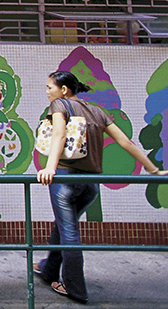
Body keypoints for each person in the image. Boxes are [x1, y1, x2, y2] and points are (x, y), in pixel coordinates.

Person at [34, 70, 167, 304]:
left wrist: (50, 168)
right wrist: (152, 169)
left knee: (69, 234)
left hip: (65, 179)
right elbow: (125, 141)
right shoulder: (97, 111)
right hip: (90, 186)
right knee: (64, 226)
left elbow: (59, 135)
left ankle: (75, 289)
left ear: (63, 90)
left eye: (49, 87)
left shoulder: (59, 105)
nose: (47, 92)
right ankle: (48, 270)